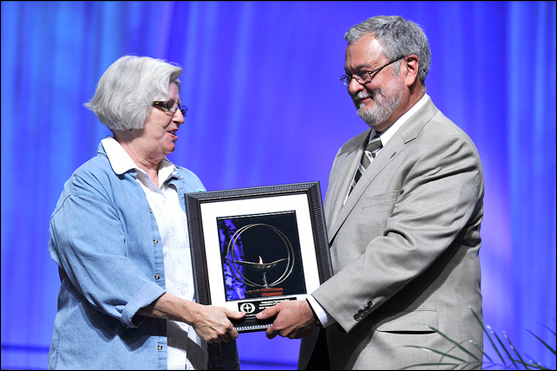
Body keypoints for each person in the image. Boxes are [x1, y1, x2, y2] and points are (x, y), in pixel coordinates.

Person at [256, 15, 484, 369]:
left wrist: (315, 308)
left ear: (410, 68)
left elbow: (403, 251)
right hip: (333, 351)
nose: (353, 87)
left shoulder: (446, 148)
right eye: (349, 76)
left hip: (412, 357)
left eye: (365, 73)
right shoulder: (349, 151)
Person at [48, 55, 245, 370]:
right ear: (131, 105)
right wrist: (195, 315)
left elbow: (223, 267)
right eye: (168, 106)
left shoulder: (188, 182)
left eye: (181, 108)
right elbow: (112, 282)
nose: (179, 118)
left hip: (194, 361)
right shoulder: (90, 186)